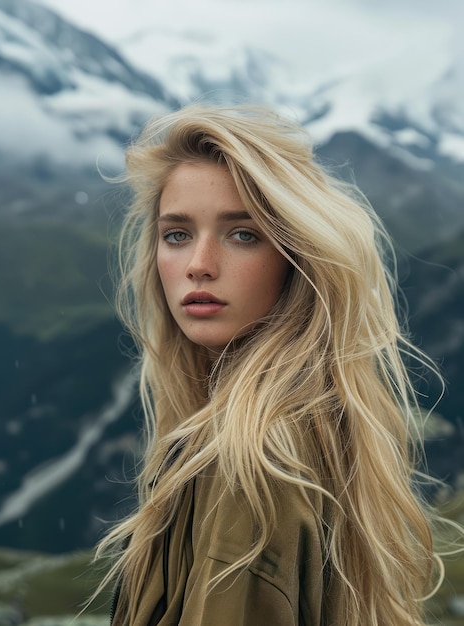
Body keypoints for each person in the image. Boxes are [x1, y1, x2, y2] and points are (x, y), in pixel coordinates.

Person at [94, 104, 449, 625]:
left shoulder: (251, 465)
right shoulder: (315, 426)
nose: (198, 265)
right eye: (177, 235)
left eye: (243, 234)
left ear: (297, 257)